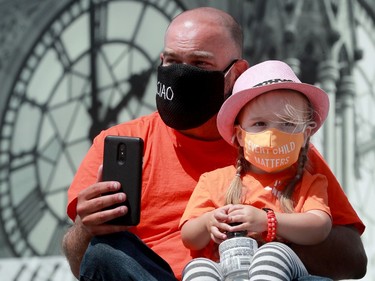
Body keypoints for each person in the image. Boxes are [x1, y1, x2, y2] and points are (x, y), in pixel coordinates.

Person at [61, 6, 367, 281]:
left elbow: (353, 260)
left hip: (259, 272)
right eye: (171, 61)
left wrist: (265, 235)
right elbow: (84, 265)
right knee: (104, 253)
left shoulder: (280, 146)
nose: (180, 75)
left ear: (236, 73)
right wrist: (88, 227)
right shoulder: (122, 141)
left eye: (199, 63)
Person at [180, 60, 334, 281]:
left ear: (306, 134)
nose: (272, 135)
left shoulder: (310, 183)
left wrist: (267, 221)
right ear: (240, 135)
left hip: (285, 271)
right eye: (260, 124)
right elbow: (189, 237)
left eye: (287, 124)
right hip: (228, 268)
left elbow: (320, 227)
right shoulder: (213, 181)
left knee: (272, 253)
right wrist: (208, 222)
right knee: (198, 266)